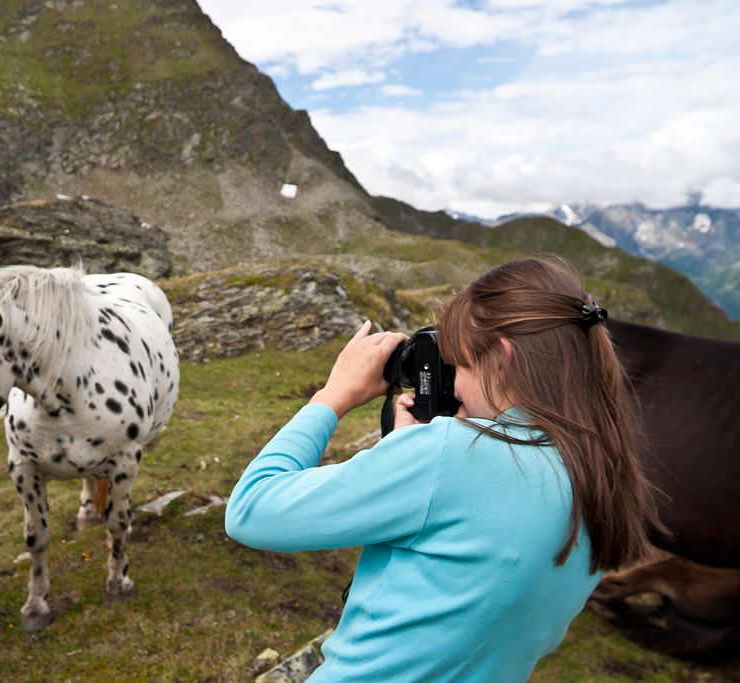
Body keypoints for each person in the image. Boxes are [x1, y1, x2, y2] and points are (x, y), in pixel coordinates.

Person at [225, 258, 664, 682]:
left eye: (462, 365)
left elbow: (250, 511)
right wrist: (405, 453)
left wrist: (331, 396)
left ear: (502, 360)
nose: (453, 386)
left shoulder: (448, 455)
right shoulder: (604, 477)